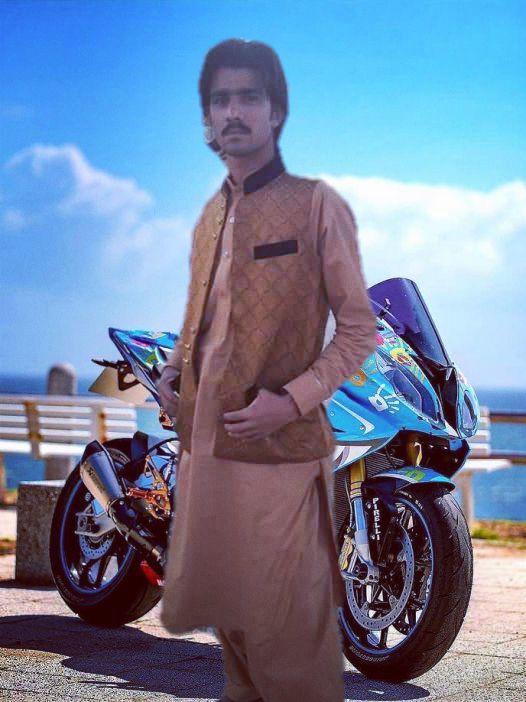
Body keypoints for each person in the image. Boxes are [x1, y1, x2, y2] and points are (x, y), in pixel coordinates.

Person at [157, 38, 377, 702]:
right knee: (236, 639)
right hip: (206, 448)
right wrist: (174, 374)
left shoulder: (316, 205)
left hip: (279, 453)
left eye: (248, 97)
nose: (233, 111)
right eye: (219, 99)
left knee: (287, 643)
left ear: (276, 111)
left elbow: (359, 329)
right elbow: (203, 318)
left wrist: (294, 400)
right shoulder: (209, 216)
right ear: (206, 116)